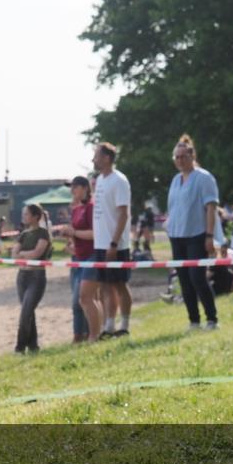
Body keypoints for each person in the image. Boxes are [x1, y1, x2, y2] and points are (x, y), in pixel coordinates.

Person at [166, 135, 220, 331]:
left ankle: (212, 319)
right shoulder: (175, 180)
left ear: (192, 156)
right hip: (176, 236)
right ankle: (194, 321)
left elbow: (211, 207)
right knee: (184, 280)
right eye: (177, 157)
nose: (180, 160)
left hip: (197, 235)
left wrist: (209, 235)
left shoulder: (204, 177)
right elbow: (174, 207)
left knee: (198, 278)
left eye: (183, 156)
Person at [92, 142, 133, 338]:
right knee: (105, 285)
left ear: (107, 158)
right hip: (100, 243)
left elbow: (123, 214)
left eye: (97, 156)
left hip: (116, 243)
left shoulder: (119, 180)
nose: (93, 159)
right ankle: (109, 326)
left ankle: (124, 325)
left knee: (120, 284)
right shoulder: (100, 180)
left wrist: (114, 243)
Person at [12, 204, 53, 353]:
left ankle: (20, 347)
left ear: (36, 216)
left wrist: (22, 254)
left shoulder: (43, 233)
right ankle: (33, 346)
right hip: (22, 276)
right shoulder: (23, 234)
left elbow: (37, 253)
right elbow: (13, 254)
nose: (24, 217)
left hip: (36, 276)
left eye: (27, 214)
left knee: (26, 311)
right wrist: (22, 254)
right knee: (28, 312)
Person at [63, 176, 96, 343]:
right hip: (77, 257)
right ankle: (78, 336)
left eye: (74, 187)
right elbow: (76, 235)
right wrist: (71, 241)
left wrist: (73, 233)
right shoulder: (76, 209)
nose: (72, 190)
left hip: (90, 257)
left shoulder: (91, 207)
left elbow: (94, 234)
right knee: (77, 302)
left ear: (84, 188)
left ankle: (93, 335)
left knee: (84, 299)